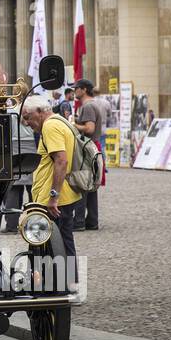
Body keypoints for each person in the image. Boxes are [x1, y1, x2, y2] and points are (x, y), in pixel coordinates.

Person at [17, 96, 82, 258]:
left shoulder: (50, 126)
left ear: (39, 112)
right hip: (62, 196)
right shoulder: (59, 121)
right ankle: (66, 281)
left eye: (27, 117)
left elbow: (61, 160)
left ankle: (59, 282)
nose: (26, 123)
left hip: (55, 200)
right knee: (63, 243)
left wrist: (53, 197)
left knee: (53, 247)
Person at [71, 80, 107, 230]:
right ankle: (92, 220)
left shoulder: (88, 106)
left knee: (82, 182)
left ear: (84, 90)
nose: (74, 91)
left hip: (88, 148)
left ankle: (79, 221)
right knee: (90, 185)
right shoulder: (93, 104)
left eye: (76, 89)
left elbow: (89, 128)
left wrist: (73, 124)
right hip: (93, 147)